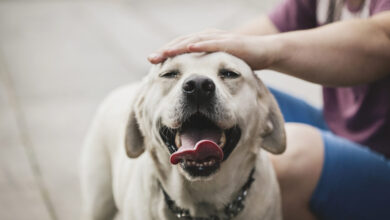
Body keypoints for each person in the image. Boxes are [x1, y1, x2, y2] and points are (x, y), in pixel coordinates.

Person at [147, 0, 390, 219]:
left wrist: (269, 51)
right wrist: (180, 72)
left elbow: (384, 35)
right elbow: (243, 42)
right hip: (338, 127)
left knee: (292, 155)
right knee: (243, 94)